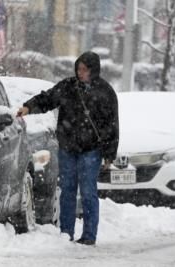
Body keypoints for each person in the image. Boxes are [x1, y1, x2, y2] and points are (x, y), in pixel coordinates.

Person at [17, 51, 119, 245]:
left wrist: (109, 154)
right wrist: (28, 107)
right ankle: (66, 233)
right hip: (68, 148)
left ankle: (89, 236)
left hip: (91, 150)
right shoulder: (68, 87)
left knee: (88, 192)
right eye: (78, 69)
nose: (80, 73)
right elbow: (47, 99)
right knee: (67, 191)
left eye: (85, 70)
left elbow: (112, 125)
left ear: (94, 70)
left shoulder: (105, 92)